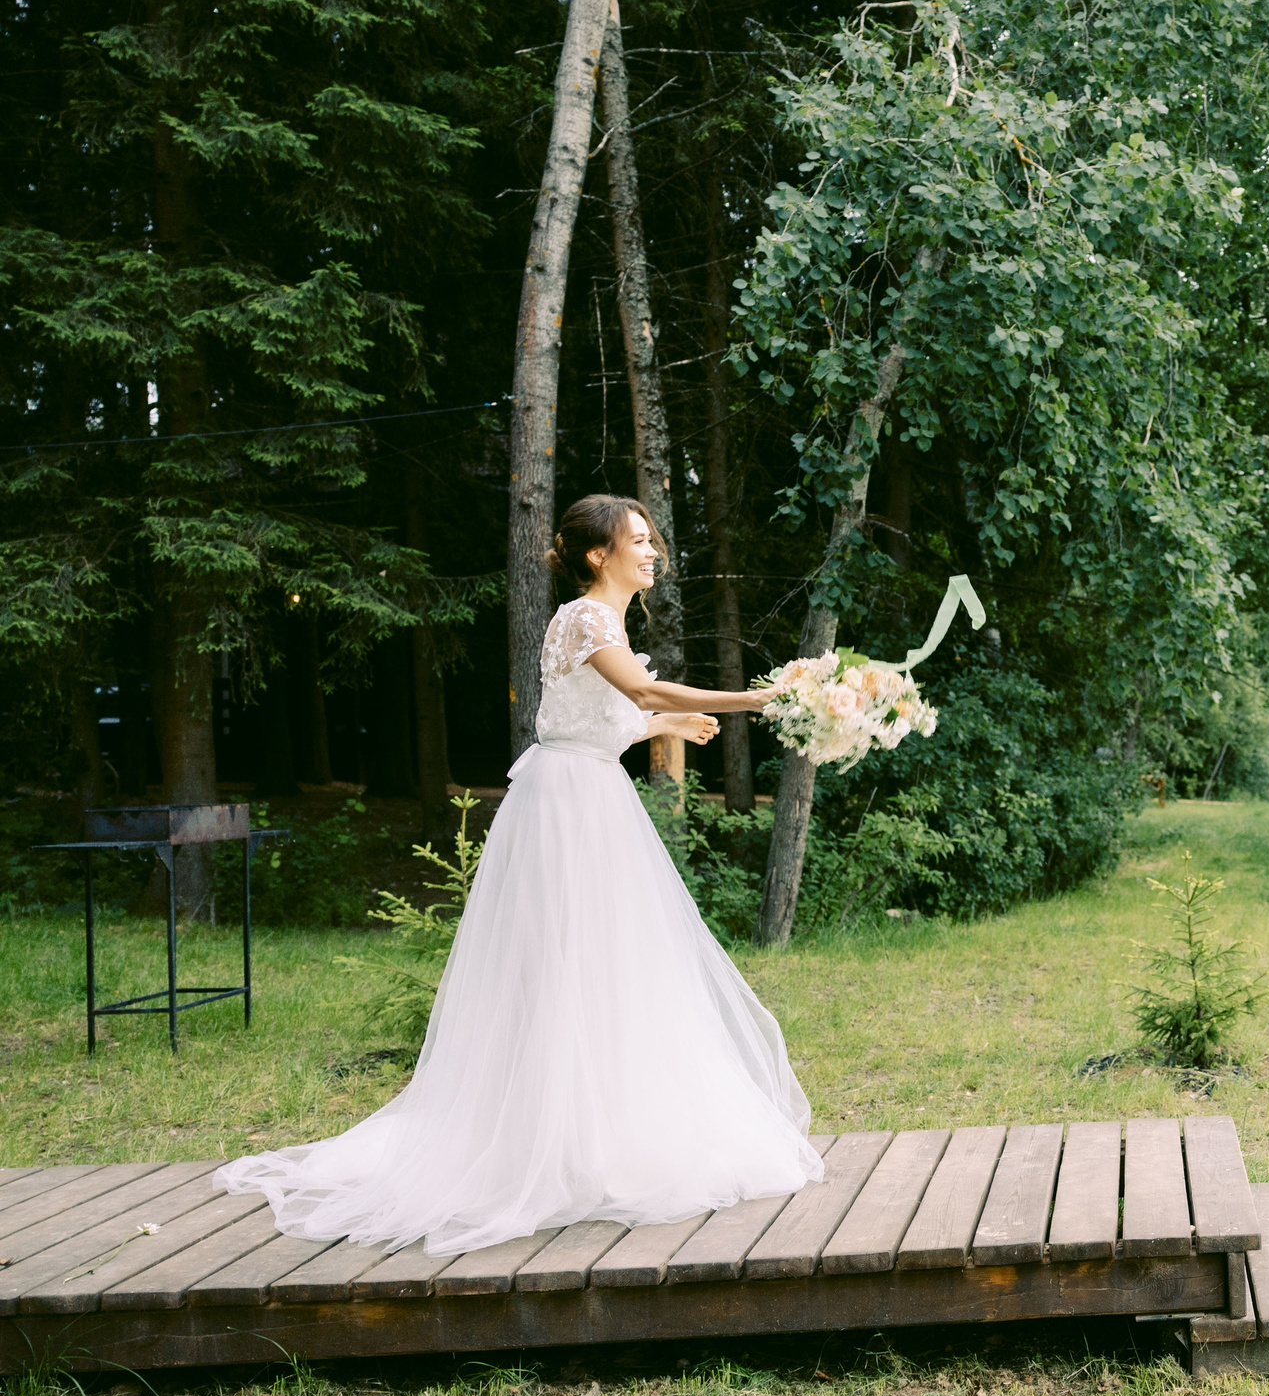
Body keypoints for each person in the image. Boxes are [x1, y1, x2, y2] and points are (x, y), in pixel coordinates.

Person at [220, 495, 822, 1255]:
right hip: (567, 810)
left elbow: (594, 714)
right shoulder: (584, 618)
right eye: (638, 540)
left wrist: (664, 726)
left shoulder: (607, 623)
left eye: (652, 540)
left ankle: (598, 1134)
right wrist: (758, 698)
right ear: (597, 554)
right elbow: (636, 690)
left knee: (608, 966)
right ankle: (546, 1141)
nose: (652, 551)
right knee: (562, 964)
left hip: (593, 798)